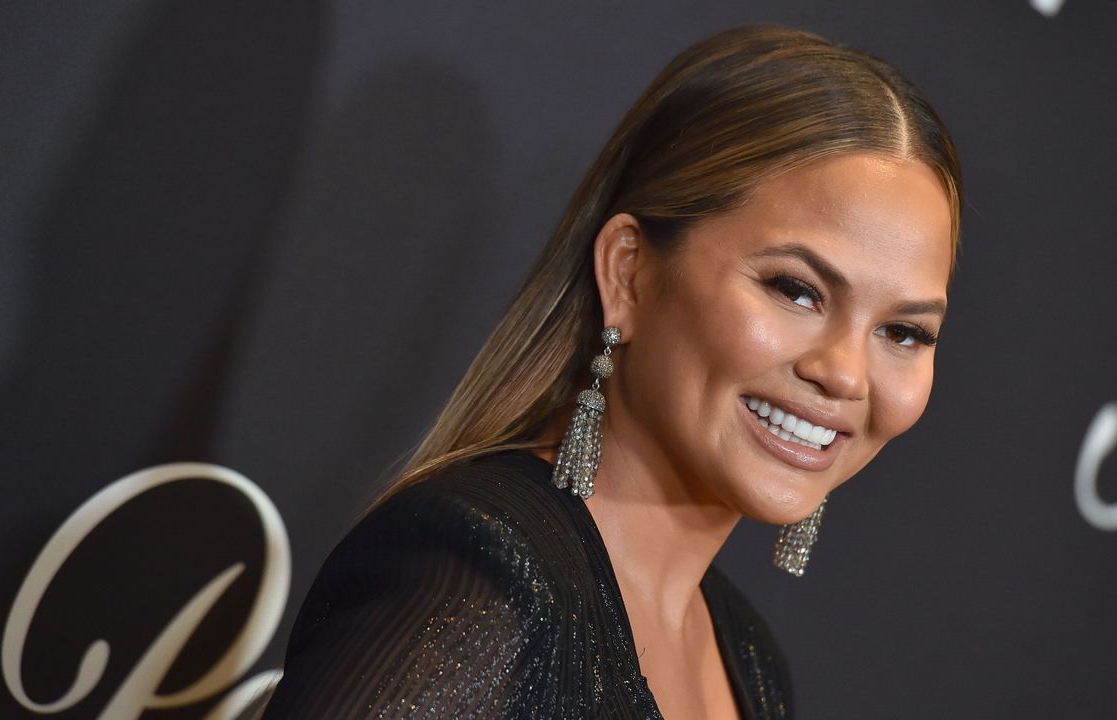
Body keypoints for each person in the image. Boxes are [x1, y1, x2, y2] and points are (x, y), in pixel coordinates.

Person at [262, 24, 960, 720]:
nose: (845, 374)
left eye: (902, 332)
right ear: (629, 272)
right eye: (795, 289)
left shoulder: (748, 657)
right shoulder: (478, 585)